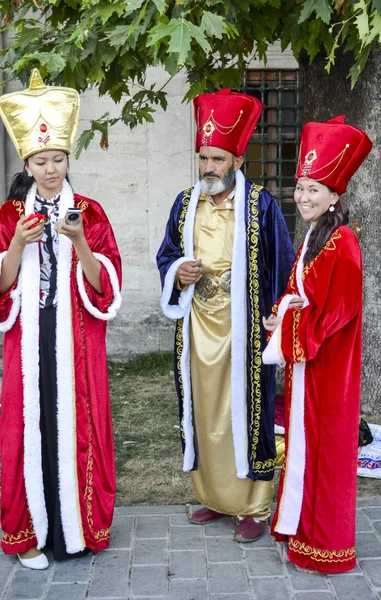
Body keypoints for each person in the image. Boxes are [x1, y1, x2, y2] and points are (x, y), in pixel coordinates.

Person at [157, 89, 295, 542]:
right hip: (198, 325)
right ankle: (213, 497)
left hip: (245, 329)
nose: (209, 168)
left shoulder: (261, 206)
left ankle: (252, 507)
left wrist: (276, 320)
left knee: (246, 411)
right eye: (203, 158)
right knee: (203, 409)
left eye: (218, 158)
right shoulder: (184, 204)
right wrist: (180, 273)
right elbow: (167, 256)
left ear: (237, 159)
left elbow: (282, 264)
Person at [0, 70, 122, 569]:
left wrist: (79, 243)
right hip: (28, 339)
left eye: (58, 159)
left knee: (79, 425)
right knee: (26, 429)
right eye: (41, 161)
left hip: (76, 338)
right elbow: (2, 285)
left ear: (69, 159)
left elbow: (106, 287)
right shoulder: (9, 214)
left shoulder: (89, 212)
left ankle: (78, 529)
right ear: (27, 163)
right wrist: (16, 245)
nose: (51, 169)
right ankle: (28, 534)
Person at [262, 116, 372, 573]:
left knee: (325, 453)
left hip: (329, 369)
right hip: (310, 364)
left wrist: (287, 321)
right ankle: (301, 530)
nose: (304, 197)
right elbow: (299, 290)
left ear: (335, 195)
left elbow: (336, 312)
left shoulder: (342, 241)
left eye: (314, 189)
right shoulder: (314, 236)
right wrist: (279, 311)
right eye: (301, 187)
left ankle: (325, 546)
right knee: (307, 448)